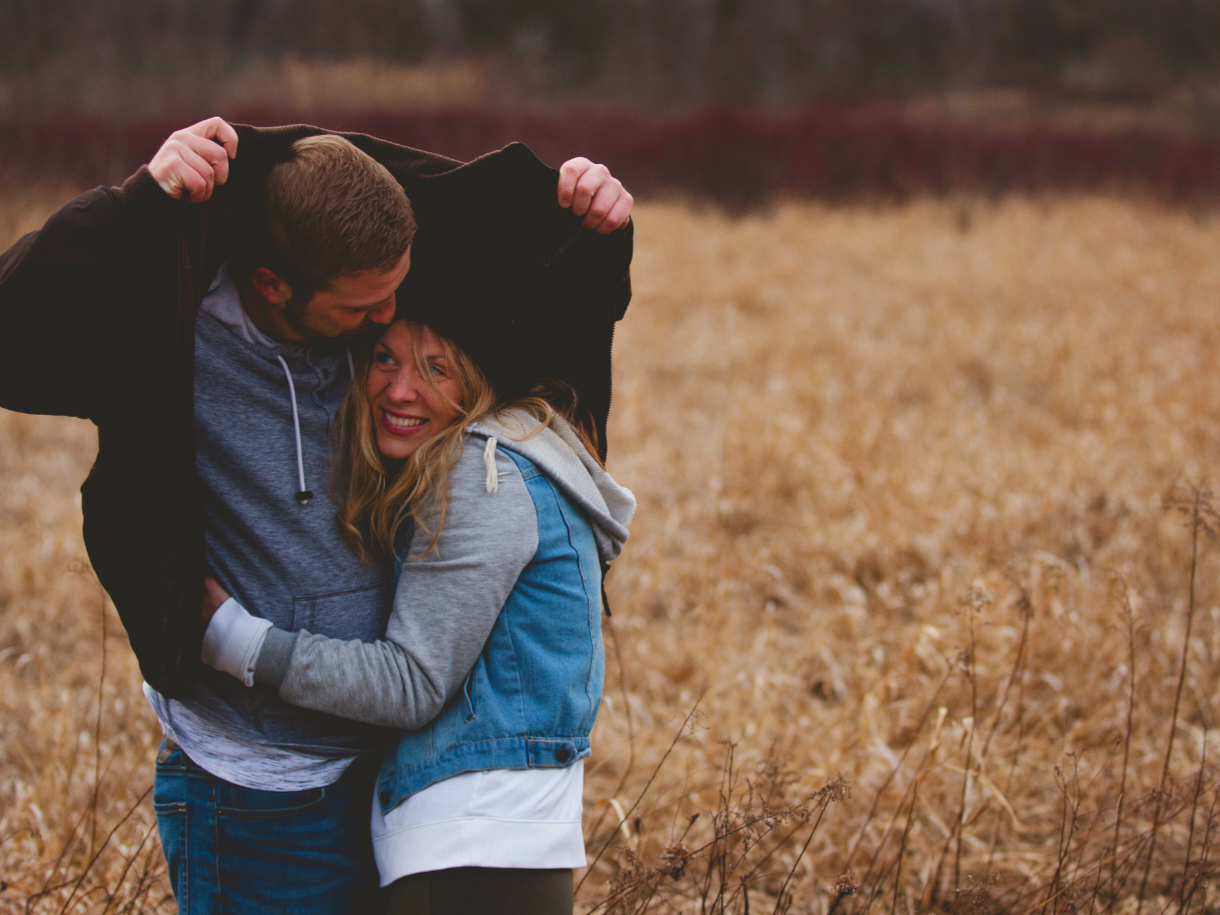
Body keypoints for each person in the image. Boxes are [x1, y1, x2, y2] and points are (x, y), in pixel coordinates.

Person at [0, 116, 634, 912]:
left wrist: (597, 220)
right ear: (274, 286)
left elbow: (532, 287)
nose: (390, 314)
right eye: (366, 310)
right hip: (257, 791)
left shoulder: (369, 301)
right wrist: (137, 201)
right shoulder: (167, 331)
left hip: (385, 779)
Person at [199, 316, 635, 914]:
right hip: (499, 845)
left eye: (436, 369)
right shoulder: (522, 454)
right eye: (385, 358)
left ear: (479, 380)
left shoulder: (485, 474)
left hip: (468, 849)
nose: (401, 390)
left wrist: (234, 639)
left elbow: (412, 684)